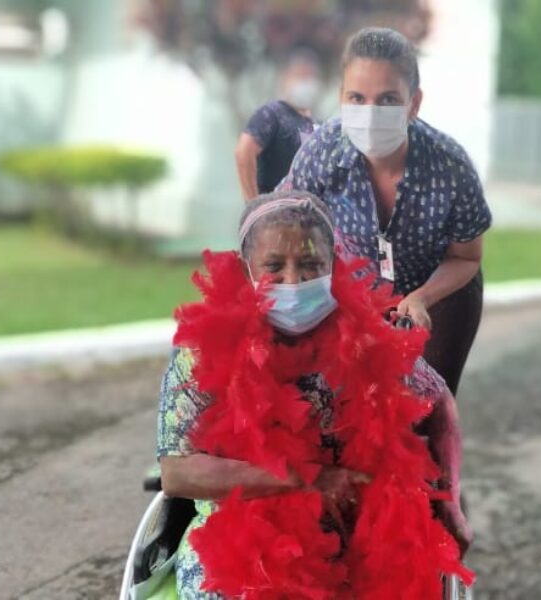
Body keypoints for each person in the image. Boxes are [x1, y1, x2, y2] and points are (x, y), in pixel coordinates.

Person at [157, 191, 472, 598]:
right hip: (246, 538)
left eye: (310, 265)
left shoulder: (365, 338)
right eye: (274, 266)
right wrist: (307, 480)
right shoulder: (202, 350)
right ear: (245, 268)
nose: (294, 281)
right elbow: (177, 472)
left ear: (333, 264)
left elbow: (440, 402)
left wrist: (451, 505)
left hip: (363, 529)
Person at [281, 27, 492, 396]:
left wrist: (422, 297)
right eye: (357, 98)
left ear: (414, 103)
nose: (370, 113)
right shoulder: (321, 154)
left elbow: (467, 257)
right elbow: (289, 230)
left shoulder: (451, 167)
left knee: (426, 409)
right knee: (351, 409)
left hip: (441, 296)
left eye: (388, 99)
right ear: (341, 98)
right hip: (356, 293)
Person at [234, 50, 321, 200]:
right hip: (274, 214)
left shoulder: (315, 125)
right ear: (286, 78)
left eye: (310, 78)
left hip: (304, 214)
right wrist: (253, 206)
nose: (306, 83)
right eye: (301, 76)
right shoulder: (272, 114)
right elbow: (243, 151)